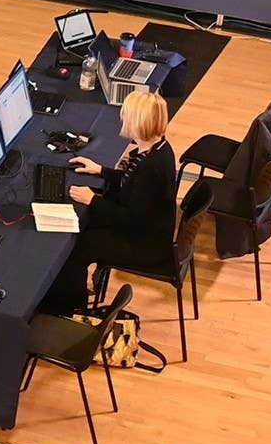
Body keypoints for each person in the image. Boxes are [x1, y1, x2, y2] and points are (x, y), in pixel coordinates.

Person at [47, 87, 179, 313]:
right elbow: (135, 185)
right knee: (83, 226)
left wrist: (93, 200)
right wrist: (101, 171)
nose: (123, 119)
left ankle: (70, 309)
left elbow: (132, 218)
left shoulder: (150, 166)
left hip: (144, 244)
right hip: (148, 229)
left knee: (77, 246)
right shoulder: (158, 149)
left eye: (126, 115)